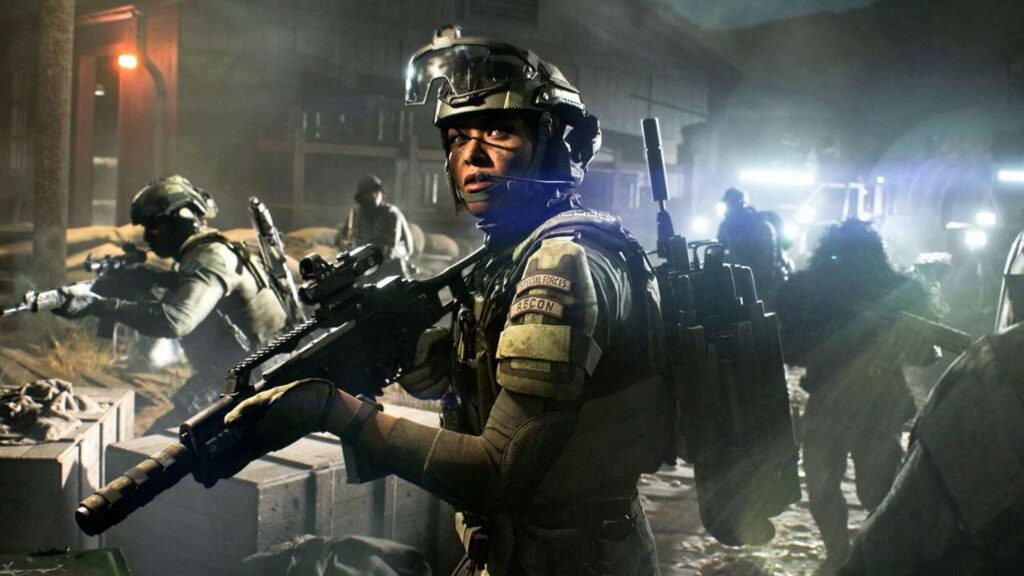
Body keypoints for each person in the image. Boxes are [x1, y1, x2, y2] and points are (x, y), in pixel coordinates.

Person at [203, 26, 671, 576]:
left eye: (497, 132)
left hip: (574, 559)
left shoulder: (560, 264)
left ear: (554, 146)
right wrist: (452, 367)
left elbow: (500, 473)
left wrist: (329, 409)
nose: (472, 156)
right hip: (518, 548)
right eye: (456, 138)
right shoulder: (509, 254)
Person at [837, 232, 1024, 576]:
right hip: (853, 403)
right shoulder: (996, 364)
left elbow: (895, 539)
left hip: (866, 404)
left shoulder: (998, 366)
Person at [52, 175, 288, 429]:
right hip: (245, 371)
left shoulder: (210, 258)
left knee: (156, 444)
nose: (148, 236)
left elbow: (175, 321)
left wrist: (97, 306)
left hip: (256, 380)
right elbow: (191, 290)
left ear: (183, 218)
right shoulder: (208, 251)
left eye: (155, 226)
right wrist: (145, 280)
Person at [775, 219, 936, 574]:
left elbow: (923, 351)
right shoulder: (890, 290)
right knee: (865, 491)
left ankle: (850, 556)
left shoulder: (816, 291)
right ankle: (853, 556)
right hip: (867, 405)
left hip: (845, 405)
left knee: (846, 489)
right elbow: (925, 354)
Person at [337, 174, 415, 279]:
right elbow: (342, 237)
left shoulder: (391, 213)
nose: (372, 196)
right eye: (367, 193)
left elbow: (388, 250)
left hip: (389, 267)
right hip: (363, 268)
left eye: (374, 192)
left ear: (380, 193)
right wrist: (345, 245)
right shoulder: (356, 213)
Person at [716, 187, 787, 298]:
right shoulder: (725, 227)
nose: (728, 209)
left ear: (740, 204)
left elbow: (768, 261)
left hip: (766, 284)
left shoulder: (761, 226)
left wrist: (761, 282)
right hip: (742, 282)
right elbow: (717, 250)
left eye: (731, 204)